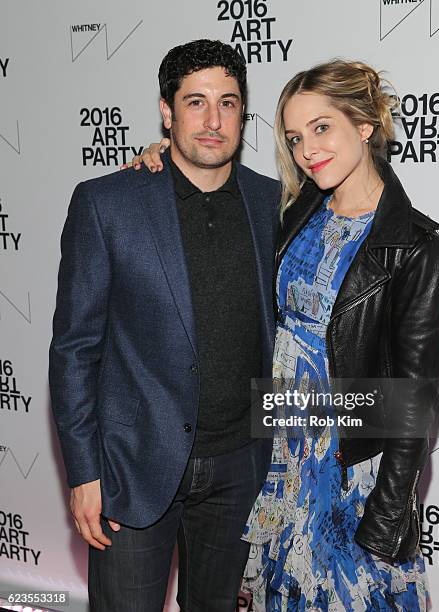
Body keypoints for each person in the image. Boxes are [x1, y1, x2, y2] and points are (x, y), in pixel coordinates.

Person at [135, 59, 439, 611]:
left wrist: (385, 517)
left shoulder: (415, 247)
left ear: (366, 125)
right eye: (295, 137)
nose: (308, 151)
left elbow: (416, 400)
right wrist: (161, 153)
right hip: (283, 466)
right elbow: (207, 184)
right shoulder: (294, 211)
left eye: (322, 128)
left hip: (353, 475)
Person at [49, 39, 279, 612]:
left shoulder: (272, 203)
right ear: (166, 110)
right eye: (195, 102)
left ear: (244, 112)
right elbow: (75, 349)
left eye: (228, 103)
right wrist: (83, 472)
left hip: (240, 467)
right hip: (132, 467)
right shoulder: (109, 203)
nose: (212, 120)